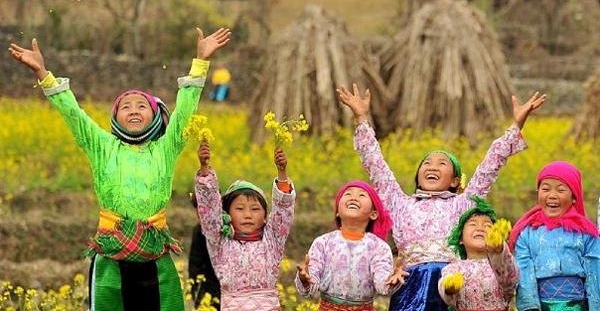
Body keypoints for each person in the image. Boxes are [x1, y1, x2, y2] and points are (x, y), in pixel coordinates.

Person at [8, 27, 231, 311]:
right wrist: (43, 73)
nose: (134, 110)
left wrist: (200, 63)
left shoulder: (166, 147)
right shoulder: (102, 146)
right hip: (111, 256)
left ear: (155, 116)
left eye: (142, 106)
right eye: (126, 106)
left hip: (155, 256)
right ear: (115, 117)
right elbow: (73, 114)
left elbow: (185, 112)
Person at [336, 83, 546, 311]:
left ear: (455, 181)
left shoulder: (463, 203)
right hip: (409, 288)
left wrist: (516, 125)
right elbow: (376, 166)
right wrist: (361, 119)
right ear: (418, 176)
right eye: (426, 163)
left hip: (452, 285)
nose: (432, 167)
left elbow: (489, 166)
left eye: (441, 163)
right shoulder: (399, 203)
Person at [194, 142, 295, 310]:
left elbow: (283, 211)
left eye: (255, 209)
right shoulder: (220, 240)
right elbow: (210, 210)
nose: (248, 215)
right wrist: (204, 167)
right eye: (240, 209)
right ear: (227, 213)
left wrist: (282, 172)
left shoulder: (272, 240)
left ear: (265, 217)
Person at [295, 180, 409, 310]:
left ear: (374, 214)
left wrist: (392, 279)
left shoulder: (379, 247)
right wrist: (305, 279)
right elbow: (311, 282)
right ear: (337, 211)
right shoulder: (323, 243)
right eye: (348, 194)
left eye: (361, 195)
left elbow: (382, 284)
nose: (354, 197)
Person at [508, 161, 600, 310]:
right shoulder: (527, 233)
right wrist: (529, 308)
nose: (552, 195)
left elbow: (595, 272)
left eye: (560, 190)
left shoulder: (586, 233)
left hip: (577, 306)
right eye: (545, 189)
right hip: (542, 306)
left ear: (574, 197)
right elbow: (524, 271)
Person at [438, 196, 519, 311]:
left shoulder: (500, 263)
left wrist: (499, 250)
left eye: (488, 226)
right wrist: (449, 287)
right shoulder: (454, 268)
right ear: (460, 239)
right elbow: (446, 293)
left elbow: (511, 279)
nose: (480, 228)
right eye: (473, 224)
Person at [189, 191, 221, 310]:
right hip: (208, 290)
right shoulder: (199, 232)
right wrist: (197, 295)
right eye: (200, 208)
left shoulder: (229, 228)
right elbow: (195, 266)